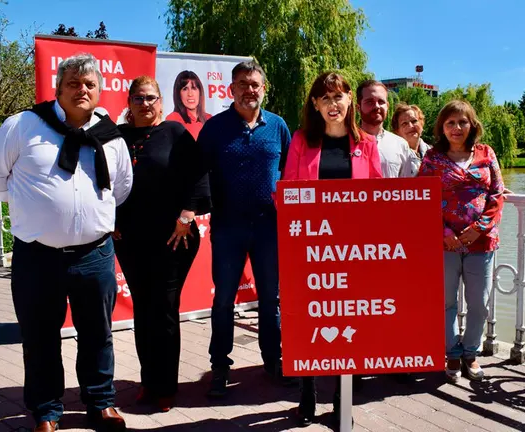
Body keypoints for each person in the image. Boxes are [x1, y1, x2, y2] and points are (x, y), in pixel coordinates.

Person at [0, 53, 133, 432]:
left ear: (99, 90)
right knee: (40, 336)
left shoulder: (110, 135)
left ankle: (100, 403)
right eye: (73, 84)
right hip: (38, 256)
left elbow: (122, 188)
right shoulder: (23, 126)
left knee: (98, 334)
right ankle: (47, 411)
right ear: (58, 88)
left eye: (90, 84)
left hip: (94, 254)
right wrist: (33, 211)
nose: (82, 90)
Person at [283, 71, 382, 428]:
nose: (333, 104)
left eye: (339, 97)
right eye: (325, 98)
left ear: (350, 100)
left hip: (354, 250)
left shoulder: (367, 144)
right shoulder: (300, 141)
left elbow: (379, 198)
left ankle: (343, 398)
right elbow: (288, 194)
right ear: (314, 104)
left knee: (349, 322)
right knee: (312, 318)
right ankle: (307, 388)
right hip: (312, 248)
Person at [114, 76, 210, 412]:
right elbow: (100, 179)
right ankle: (148, 381)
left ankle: (166, 386)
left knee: (164, 309)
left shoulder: (175, 133)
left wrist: (186, 216)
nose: (145, 104)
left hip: (174, 238)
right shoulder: (117, 137)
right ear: (129, 101)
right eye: (138, 98)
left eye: (151, 98)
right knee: (144, 309)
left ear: (160, 101)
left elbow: (199, 176)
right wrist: (108, 219)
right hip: (130, 239)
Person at [198, 60, 292, 398]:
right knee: (223, 300)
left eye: (255, 84)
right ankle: (220, 367)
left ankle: (274, 360)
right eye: (242, 83)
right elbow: (199, 173)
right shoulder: (215, 128)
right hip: (228, 228)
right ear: (231, 89)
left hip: (270, 227)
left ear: (263, 89)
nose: (249, 89)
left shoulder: (278, 127)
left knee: (272, 298)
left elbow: (289, 172)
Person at [417, 99, 506, 383]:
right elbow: (423, 197)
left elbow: (496, 194)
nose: (456, 128)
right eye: (450, 123)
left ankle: (471, 352)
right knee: (446, 302)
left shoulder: (486, 153)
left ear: (472, 125)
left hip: (481, 242)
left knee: (479, 301)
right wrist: (443, 231)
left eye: (462, 122)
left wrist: (478, 228)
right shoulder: (432, 158)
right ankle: (452, 353)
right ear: (442, 127)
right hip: (444, 242)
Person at [356, 80, 412, 178]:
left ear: (387, 106)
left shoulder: (401, 145)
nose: (377, 106)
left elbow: (407, 188)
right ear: (358, 107)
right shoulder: (344, 142)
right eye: (369, 102)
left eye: (381, 102)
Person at [166, 70, 212, 140]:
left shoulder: (209, 119)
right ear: (178, 94)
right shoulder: (173, 119)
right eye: (185, 89)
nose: (190, 94)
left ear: (200, 92)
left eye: (194, 88)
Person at [392, 103, 430, 177]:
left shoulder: (434, 153)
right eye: (404, 124)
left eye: (414, 121)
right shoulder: (394, 156)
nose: (410, 126)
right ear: (397, 131)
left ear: (422, 124)